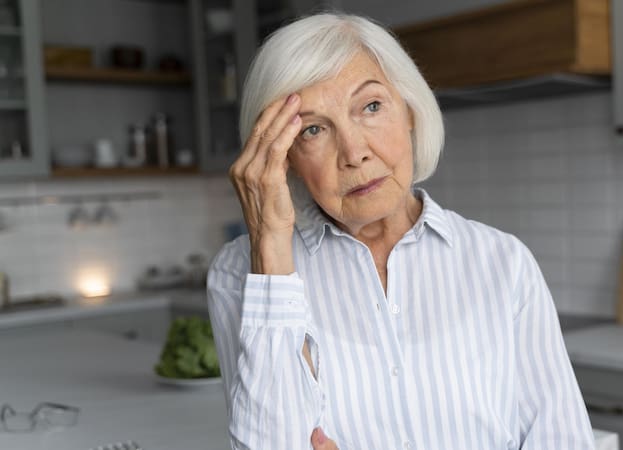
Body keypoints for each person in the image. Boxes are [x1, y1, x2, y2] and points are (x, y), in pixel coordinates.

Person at [207, 12, 595, 450]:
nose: (354, 153)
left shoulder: (504, 263)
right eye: (313, 129)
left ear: (409, 110)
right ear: (284, 157)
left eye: (371, 107)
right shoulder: (240, 273)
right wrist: (271, 249)